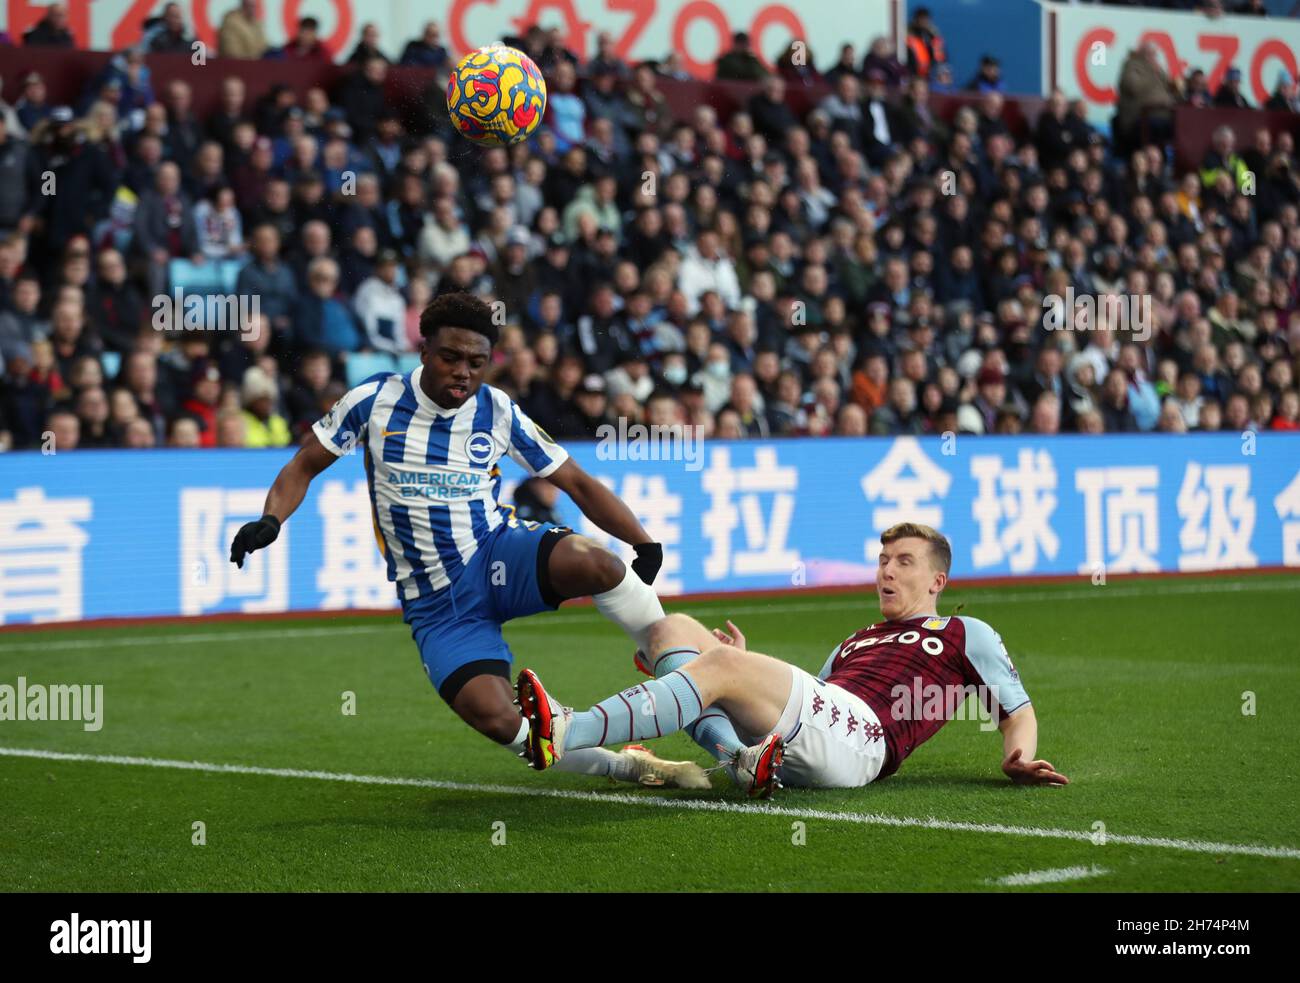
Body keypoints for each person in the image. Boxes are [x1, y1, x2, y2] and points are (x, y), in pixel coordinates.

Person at [229, 292, 705, 789]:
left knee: (600, 564)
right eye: (450, 358)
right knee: (500, 721)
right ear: (425, 354)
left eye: (476, 362)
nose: (463, 372)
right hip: (437, 604)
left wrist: (643, 544)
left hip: (497, 554)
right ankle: (626, 763)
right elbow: (304, 465)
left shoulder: (496, 409)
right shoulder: (373, 402)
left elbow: (576, 482)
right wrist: (271, 520)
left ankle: (677, 667)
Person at [517, 522, 1068, 798]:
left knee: (712, 670)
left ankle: (570, 729)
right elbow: (800, 710)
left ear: (938, 581)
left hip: (864, 741)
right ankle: (738, 758)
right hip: (814, 733)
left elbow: (1016, 709)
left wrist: (1016, 757)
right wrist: (739, 668)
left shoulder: (962, 633)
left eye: (904, 562)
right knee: (670, 629)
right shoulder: (855, 641)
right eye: (882, 561)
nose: (887, 572)